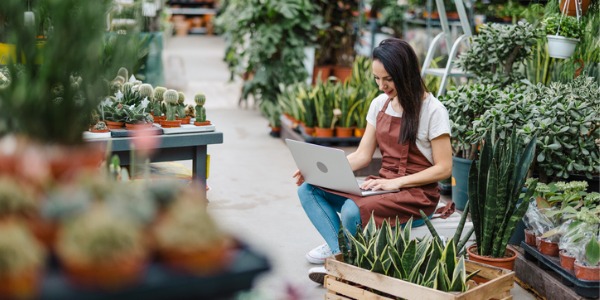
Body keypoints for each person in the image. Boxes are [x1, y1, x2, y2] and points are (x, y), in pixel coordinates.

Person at [293, 38, 453, 284]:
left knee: (351, 209)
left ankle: (340, 261)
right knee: (309, 190)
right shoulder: (379, 105)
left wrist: (397, 183)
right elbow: (362, 156)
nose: (381, 86)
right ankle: (340, 250)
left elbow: (444, 168)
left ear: (405, 73)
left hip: (416, 195)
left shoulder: (433, 110)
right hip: (382, 185)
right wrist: (315, 171)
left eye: (387, 79)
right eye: (377, 79)